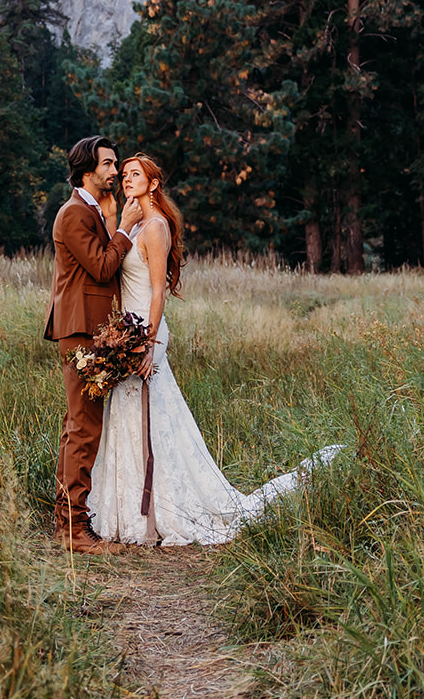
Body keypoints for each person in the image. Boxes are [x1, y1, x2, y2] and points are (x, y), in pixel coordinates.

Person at [88, 153, 342, 545]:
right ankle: (131, 509)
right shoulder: (135, 226)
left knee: (147, 418)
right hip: (127, 332)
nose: (126, 179)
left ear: (154, 184)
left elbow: (158, 290)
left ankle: (156, 511)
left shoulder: (155, 227)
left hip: (146, 334)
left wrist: (148, 341)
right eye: (123, 175)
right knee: (128, 417)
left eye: (135, 175)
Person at [44, 135, 142, 552]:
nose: (115, 170)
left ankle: (71, 521)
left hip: (93, 329)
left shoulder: (92, 210)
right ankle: (72, 531)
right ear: (87, 169)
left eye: (116, 163)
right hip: (80, 330)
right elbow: (102, 268)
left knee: (83, 425)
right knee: (82, 427)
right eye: (108, 164)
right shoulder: (73, 214)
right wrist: (123, 229)